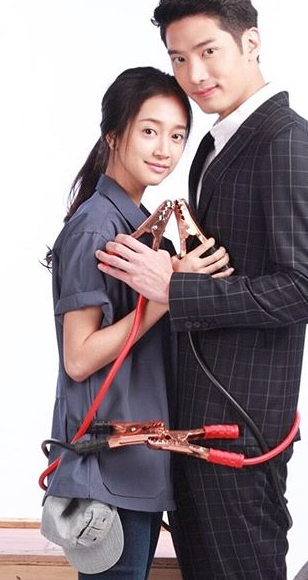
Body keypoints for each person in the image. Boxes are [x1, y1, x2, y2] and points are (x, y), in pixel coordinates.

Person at [95, 0, 308, 580]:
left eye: (208, 51)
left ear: (250, 42)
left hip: (241, 430)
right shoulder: (213, 145)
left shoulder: (286, 142)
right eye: (178, 58)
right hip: (196, 425)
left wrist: (174, 289)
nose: (194, 74)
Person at [42, 66, 232, 580]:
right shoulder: (96, 227)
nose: (164, 149)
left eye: (177, 136)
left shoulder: (138, 225)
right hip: (107, 471)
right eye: (149, 131)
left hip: (137, 468)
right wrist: (167, 297)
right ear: (113, 134)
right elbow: (79, 357)